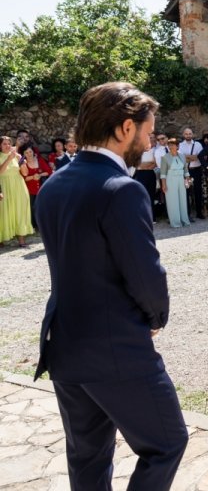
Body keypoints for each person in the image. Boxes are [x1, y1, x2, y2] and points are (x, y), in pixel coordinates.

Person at [33, 81, 188, 490]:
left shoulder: (53, 185)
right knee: (167, 443)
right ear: (124, 129)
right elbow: (145, 274)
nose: (150, 141)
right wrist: (156, 317)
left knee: (87, 457)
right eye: (148, 132)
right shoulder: (121, 190)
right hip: (115, 347)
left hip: (64, 345)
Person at [0, 136, 33, 247]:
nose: (8, 146)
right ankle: (1, 238)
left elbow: (25, 173)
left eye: (9, 143)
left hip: (18, 186)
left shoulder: (17, 156)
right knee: (4, 212)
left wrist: (21, 161)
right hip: (4, 186)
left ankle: (22, 240)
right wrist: (9, 158)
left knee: (20, 211)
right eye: (4, 143)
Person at [19, 143, 52, 230]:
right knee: (31, 208)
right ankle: (33, 225)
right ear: (23, 154)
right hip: (29, 189)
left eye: (30, 152)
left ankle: (41, 225)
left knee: (41, 207)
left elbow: (49, 171)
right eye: (26, 153)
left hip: (41, 188)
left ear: (33, 152)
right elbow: (23, 178)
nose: (29, 154)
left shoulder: (39, 160)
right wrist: (33, 177)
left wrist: (40, 175)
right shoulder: (22, 163)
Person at [159, 138, 191, 228]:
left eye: (173, 144)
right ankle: (176, 223)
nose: (170, 146)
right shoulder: (165, 157)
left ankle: (185, 220)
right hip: (170, 180)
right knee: (172, 201)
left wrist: (188, 180)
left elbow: (186, 170)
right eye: (169, 145)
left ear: (177, 146)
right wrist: (164, 185)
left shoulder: (182, 156)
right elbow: (163, 173)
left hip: (181, 179)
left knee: (183, 200)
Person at [178, 128, 205, 220]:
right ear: (183, 135)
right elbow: (182, 158)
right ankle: (188, 214)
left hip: (197, 171)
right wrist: (193, 157)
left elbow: (201, 156)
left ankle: (199, 212)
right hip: (187, 172)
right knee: (187, 192)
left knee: (198, 192)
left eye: (190, 133)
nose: (188, 135)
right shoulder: (180, 145)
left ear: (192, 134)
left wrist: (189, 157)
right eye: (186, 134)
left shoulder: (198, 144)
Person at [134, 132, 160, 223]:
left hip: (150, 174)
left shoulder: (154, 150)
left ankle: (152, 217)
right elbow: (137, 164)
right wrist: (145, 165)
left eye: (152, 137)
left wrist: (144, 165)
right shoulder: (138, 150)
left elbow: (154, 163)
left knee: (151, 196)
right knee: (142, 196)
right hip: (140, 174)